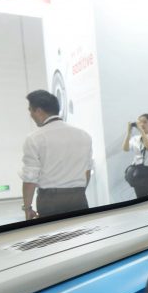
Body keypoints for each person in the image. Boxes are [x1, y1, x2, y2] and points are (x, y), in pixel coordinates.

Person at [20, 90, 93, 219]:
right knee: (81, 232)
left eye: (30, 110)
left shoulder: (35, 138)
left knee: (54, 232)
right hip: (79, 197)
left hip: (50, 201)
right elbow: (87, 171)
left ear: (39, 111)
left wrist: (27, 208)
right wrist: (77, 191)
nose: (30, 115)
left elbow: (30, 178)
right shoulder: (84, 135)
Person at [122, 113, 148, 198]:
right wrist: (129, 132)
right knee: (141, 200)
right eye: (140, 122)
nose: (142, 124)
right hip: (138, 174)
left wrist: (141, 131)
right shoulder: (135, 138)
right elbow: (125, 148)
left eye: (145, 122)